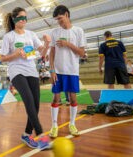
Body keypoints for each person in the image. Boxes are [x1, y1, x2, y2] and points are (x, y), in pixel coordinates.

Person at [0, 7, 51, 149]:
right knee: (28, 100)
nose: (24, 20)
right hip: (16, 72)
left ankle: (26, 135)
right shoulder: (9, 36)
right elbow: (2, 58)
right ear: (14, 19)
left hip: (32, 71)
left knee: (35, 105)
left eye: (25, 17)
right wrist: (15, 54)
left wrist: (46, 44)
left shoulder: (31, 34)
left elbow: (42, 53)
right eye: (21, 17)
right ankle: (41, 135)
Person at [49, 5, 86, 138]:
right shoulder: (54, 32)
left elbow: (82, 53)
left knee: (72, 98)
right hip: (57, 71)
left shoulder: (78, 31)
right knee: (56, 98)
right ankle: (54, 126)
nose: (59, 21)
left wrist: (68, 44)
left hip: (72, 70)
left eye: (60, 18)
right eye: (57, 19)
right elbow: (51, 52)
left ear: (67, 14)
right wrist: (52, 70)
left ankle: (72, 124)